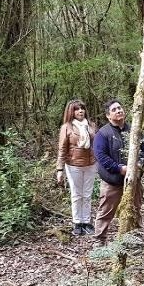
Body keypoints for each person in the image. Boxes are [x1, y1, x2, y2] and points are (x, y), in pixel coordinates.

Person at [92, 99, 144, 245]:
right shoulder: (103, 134)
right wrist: (119, 169)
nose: (119, 111)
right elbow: (101, 156)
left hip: (133, 180)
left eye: (120, 108)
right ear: (108, 116)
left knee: (134, 208)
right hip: (112, 180)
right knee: (106, 210)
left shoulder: (134, 130)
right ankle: (100, 240)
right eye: (114, 109)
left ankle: (134, 238)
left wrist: (139, 164)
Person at [56, 99, 97, 236]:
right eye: (77, 109)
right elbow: (62, 149)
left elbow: (97, 145)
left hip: (91, 164)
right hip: (73, 165)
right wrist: (59, 169)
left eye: (82, 108)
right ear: (71, 112)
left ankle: (86, 221)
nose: (80, 111)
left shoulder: (91, 126)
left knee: (87, 194)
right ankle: (77, 222)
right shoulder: (66, 127)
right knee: (76, 194)